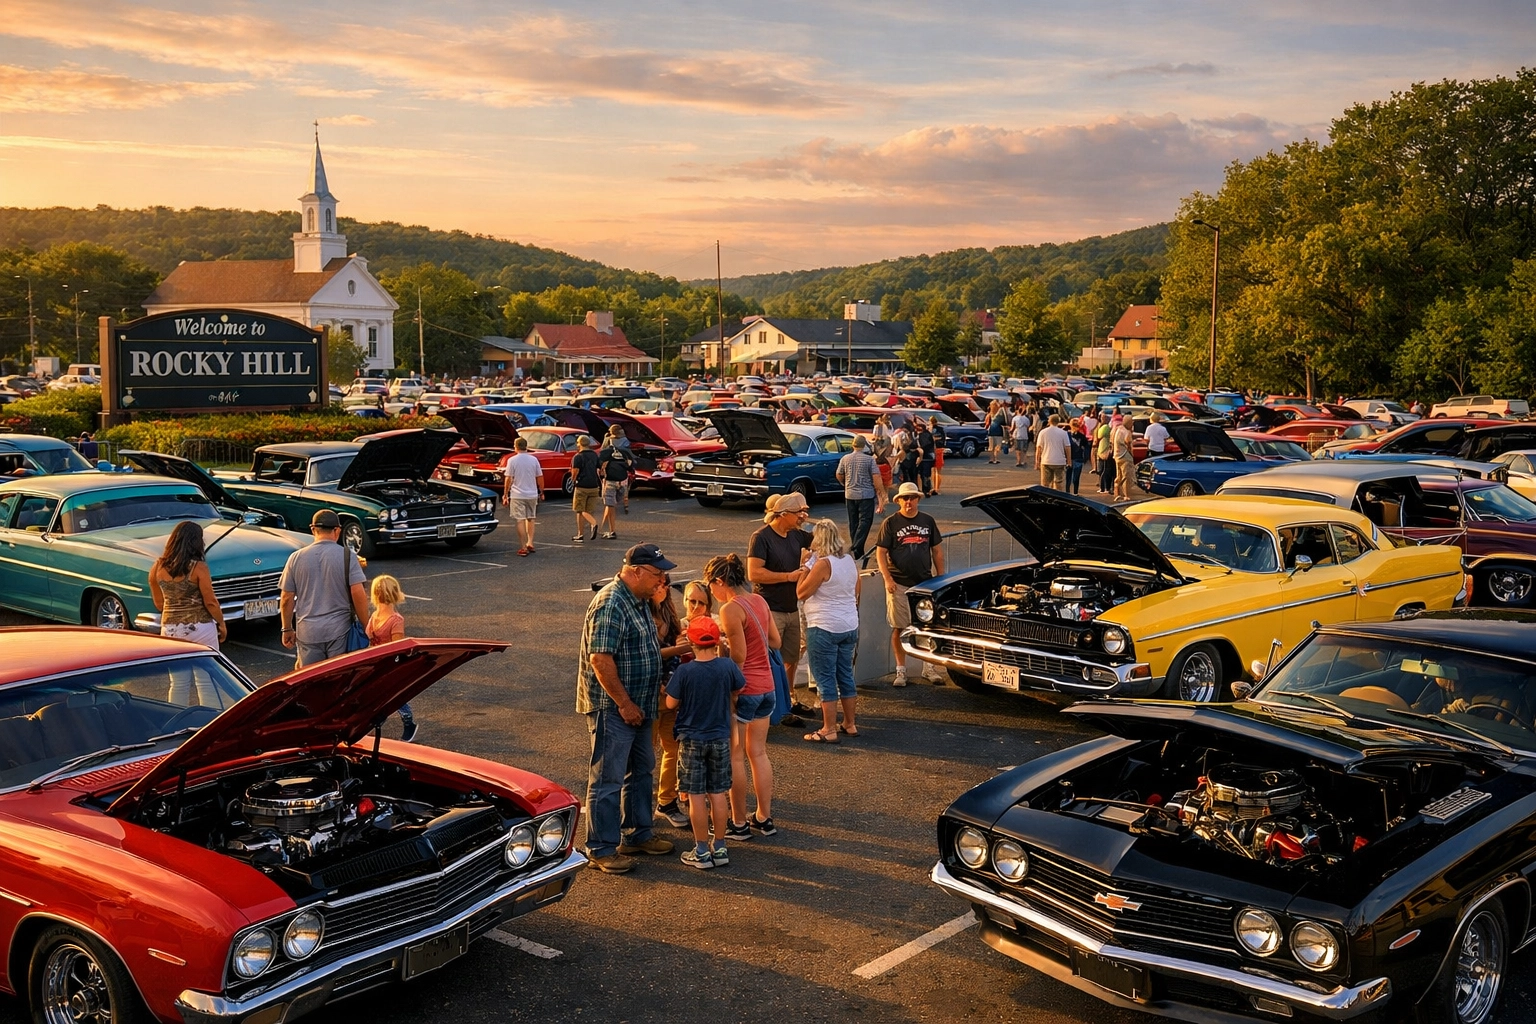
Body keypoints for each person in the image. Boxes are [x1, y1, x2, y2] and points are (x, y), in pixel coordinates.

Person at [577, 544, 679, 873]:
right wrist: (624, 703)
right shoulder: (611, 602)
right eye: (656, 573)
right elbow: (600, 659)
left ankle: (637, 834)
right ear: (635, 571)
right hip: (615, 707)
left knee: (641, 769)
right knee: (608, 778)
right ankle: (601, 848)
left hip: (640, 704)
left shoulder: (637, 599)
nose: (661, 580)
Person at [704, 552, 779, 841]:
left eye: (711, 586)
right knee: (758, 753)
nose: (712, 592)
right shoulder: (759, 600)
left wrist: (723, 646)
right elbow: (775, 641)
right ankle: (763, 816)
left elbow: (738, 657)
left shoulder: (730, 609)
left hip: (745, 689)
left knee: (735, 757)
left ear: (720, 581)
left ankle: (737, 822)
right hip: (767, 688)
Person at [665, 616, 747, 870]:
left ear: (691, 641)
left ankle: (701, 850)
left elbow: (670, 703)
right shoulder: (727, 666)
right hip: (720, 737)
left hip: (691, 740)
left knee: (697, 797)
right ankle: (720, 846)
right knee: (718, 794)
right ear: (716, 639)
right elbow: (738, 689)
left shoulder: (685, 671)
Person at [746, 492, 811, 721]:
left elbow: (822, 540)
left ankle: (788, 698)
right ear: (783, 514)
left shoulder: (795, 534)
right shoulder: (761, 537)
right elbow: (753, 573)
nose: (803, 517)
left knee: (791, 657)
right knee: (769, 658)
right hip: (769, 607)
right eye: (798, 513)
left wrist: (813, 551)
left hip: (792, 607)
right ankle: (770, 704)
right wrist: (788, 577)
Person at [875, 482, 945, 686]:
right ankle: (901, 671)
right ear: (898, 501)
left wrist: (941, 579)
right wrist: (887, 579)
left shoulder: (928, 521)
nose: (908, 501)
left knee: (927, 627)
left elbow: (937, 551)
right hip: (898, 583)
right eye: (905, 498)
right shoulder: (890, 523)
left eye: (912, 498)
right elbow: (881, 552)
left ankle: (928, 667)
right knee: (899, 627)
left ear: (918, 500)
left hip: (925, 584)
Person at [279, 509, 369, 667]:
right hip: (339, 631)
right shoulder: (348, 556)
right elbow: (357, 593)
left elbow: (287, 598)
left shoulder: (295, 558)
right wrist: (366, 625)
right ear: (337, 530)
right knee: (338, 677)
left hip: (307, 632)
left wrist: (287, 628)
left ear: (313, 529)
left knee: (312, 680)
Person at [798, 518, 861, 743]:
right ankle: (850, 724)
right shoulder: (848, 560)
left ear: (819, 539)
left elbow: (801, 592)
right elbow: (857, 589)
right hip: (848, 625)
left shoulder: (822, 564)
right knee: (845, 674)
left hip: (824, 625)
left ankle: (828, 729)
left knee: (825, 679)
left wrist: (804, 566)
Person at [651, 575, 691, 829]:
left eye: (665, 584)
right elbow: (649, 653)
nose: (663, 589)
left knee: (673, 748)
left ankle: (666, 800)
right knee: (645, 756)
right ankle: (638, 811)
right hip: (649, 694)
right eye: (658, 585)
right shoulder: (641, 612)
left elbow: (673, 649)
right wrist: (679, 649)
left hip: (670, 694)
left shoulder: (668, 611)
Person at [149, 520, 226, 651]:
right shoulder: (199, 568)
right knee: (206, 668)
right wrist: (221, 623)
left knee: (177, 668)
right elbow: (210, 602)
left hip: (170, 628)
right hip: (200, 627)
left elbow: (159, 604)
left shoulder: (157, 567)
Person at [366, 573, 417, 742]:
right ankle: (380, 720)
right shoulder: (379, 616)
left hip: (387, 664)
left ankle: (408, 722)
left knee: (393, 696)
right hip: (377, 663)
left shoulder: (392, 619)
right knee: (380, 695)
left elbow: (397, 648)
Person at [835, 433, 885, 561]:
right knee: (865, 521)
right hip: (866, 494)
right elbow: (876, 477)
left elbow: (839, 474)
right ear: (864, 446)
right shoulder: (869, 460)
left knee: (853, 522)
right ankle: (855, 547)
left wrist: (844, 483)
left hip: (850, 494)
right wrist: (881, 492)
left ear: (853, 445)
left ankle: (858, 552)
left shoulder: (845, 458)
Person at [500, 436, 542, 556]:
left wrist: (505, 494)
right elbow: (540, 476)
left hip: (518, 494)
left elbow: (508, 478)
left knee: (520, 520)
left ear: (516, 446)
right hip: (532, 494)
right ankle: (530, 542)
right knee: (531, 518)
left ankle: (523, 547)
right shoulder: (534, 460)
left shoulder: (512, 460)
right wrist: (542, 491)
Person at [598, 436, 632, 540]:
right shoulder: (625, 450)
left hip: (610, 481)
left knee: (610, 505)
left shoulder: (607, 452)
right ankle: (603, 528)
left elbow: (601, 463)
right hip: (622, 481)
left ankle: (611, 531)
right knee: (612, 505)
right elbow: (630, 465)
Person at [569, 434, 602, 543]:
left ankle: (586, 529)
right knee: (589, 510)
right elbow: (600, 469)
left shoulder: (578, 457)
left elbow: (575, 473)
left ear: (579, 444)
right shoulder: (594, 455)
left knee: (580, 510)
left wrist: (573, 481)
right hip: (594, 486)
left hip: (582, 486)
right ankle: (584, 532)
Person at [602, 424, 633, 515]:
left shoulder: (608, 439)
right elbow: (629, 454)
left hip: (610, 466)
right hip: (623, 467)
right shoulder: (625, 441)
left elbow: (603, 450)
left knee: (608, 489)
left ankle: (610, 506)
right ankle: (625, 506)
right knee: (624, 489)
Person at [1034, 414, 1071, 490]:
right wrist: (1069, 461)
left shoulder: (1043, 432)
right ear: (1058, 422)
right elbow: (1067, 447)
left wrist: (1037, 462)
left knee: (1045, 483)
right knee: (1058, 482)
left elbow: (1039, 448)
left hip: (1046, 460)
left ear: (1049, 421)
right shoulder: (1063, 433)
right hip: (1059, 461)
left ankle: (1046, 498)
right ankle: (1057, 497)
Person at [1112, 414, 1135, 501]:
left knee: (1119, 475)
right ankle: (1126, 495)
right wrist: (1132, 455)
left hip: (1117, 456)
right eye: (1131, 421)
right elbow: (1128, 443)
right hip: (1125, 456)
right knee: (1126, 476)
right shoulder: (1127, 431)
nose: (1132, 423)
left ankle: (1117, 493)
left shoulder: (1118, 429)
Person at [1067, 417, 1090, 495]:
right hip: (1070, 458)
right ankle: (1069, 492)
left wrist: (1085, 457)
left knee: (1075, 478)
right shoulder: (1067, 434)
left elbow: (1086, 446)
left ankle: (1075, 492)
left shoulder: (1080, 436)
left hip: (1077, 458)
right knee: (1069, 477)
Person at [914, 418, 936, 495]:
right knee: (926, 474)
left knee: (924, 474)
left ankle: (926, 490)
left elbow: (924, 446)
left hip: (925, 457)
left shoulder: (924, 435)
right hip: (929, 457)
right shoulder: (927, 434)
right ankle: (927, 489)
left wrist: (916, 448)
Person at [1096, 415, 1117, 494]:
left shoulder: (1105, 428)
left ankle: (1104, 488)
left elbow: (1099, 436)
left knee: (1103, 470)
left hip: (1104, 451)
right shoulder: (1108, 428)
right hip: (1104, 450)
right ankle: (1106, 487)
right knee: (1105, 470)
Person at [930, 418, 946, 494]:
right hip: (938, 449)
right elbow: (943, 439)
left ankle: (935, 487)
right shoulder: (940, 429)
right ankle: (936, 488)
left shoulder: (930, 429)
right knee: (936, 471)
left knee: (935, 471)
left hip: (934, 450)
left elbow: (942, 439)